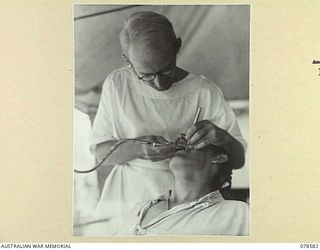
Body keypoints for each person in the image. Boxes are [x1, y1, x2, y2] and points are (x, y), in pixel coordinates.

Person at [89, 11, 246, 235]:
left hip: (186, 206)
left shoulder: (204, 91)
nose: (160, 83)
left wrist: (223, 137)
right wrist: (139, 149)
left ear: (177, 46)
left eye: (166, 70)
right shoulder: (117, 84)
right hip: (127, 200)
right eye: (146, 75)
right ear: (127, 59)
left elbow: (238, 159)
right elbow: (100, 153)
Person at [118, 145, 249, 235]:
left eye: (194, 142)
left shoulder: (237, 212)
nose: (182, 143)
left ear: (219, 158)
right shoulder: (139, 208)